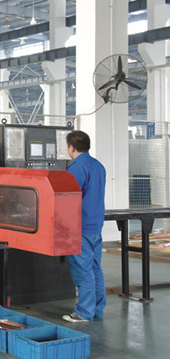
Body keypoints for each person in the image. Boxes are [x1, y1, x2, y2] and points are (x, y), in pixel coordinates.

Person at [63, 130, 107, 323]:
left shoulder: (77, 169)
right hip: (95, 225)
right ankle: (97, 309)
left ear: (71, 147)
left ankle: (84, 312)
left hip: (79, 226)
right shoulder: (98, 166)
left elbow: (67, 198)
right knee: (95, 268)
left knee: (83, 269)